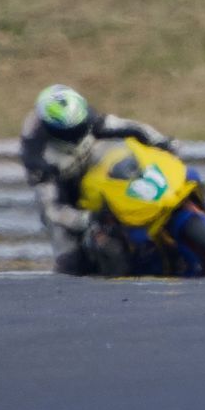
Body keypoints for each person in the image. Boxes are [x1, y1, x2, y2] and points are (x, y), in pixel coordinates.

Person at [18, 84, 176, 275]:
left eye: (80, 125)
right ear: (51, 129)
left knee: (122, 152)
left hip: (91, 165)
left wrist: (162, 142)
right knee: (68, 256)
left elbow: (127, 126)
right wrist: (86, 219)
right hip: (65, 190)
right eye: (70, 130)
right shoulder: (38, 157)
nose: (77, 131)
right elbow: (52, 209)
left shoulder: (85, 117)